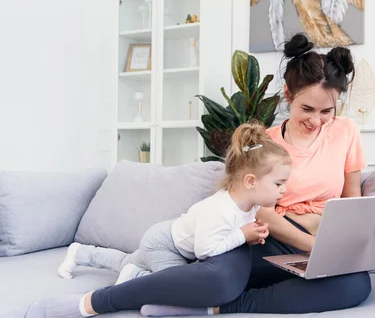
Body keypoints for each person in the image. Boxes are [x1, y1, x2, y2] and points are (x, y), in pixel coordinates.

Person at [24, 33, 372, 318]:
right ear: (287, 95)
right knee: (219, 279)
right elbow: (260, 212)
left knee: (357, 284)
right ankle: (89, 304)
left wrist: (348, 244)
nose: (317, 121)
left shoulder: (345, 132)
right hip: (270, 239)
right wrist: (311, 245)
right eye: (307, 109)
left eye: (327, 111)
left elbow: (352, 198)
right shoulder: (265, 145)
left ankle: (221, 307)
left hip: (323, 241)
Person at [56, 122, 290, 286]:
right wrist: (241, 235)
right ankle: (138, 276)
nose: (284, 189)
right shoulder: (221, 209)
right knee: (180, 283)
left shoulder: (252, 206)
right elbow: (205, 250)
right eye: (279, 183)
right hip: (164, 244)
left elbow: (229, 236)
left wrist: (251, 235)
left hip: (167, 240)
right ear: (251, 181)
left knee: (124, 260)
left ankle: (81, 253)